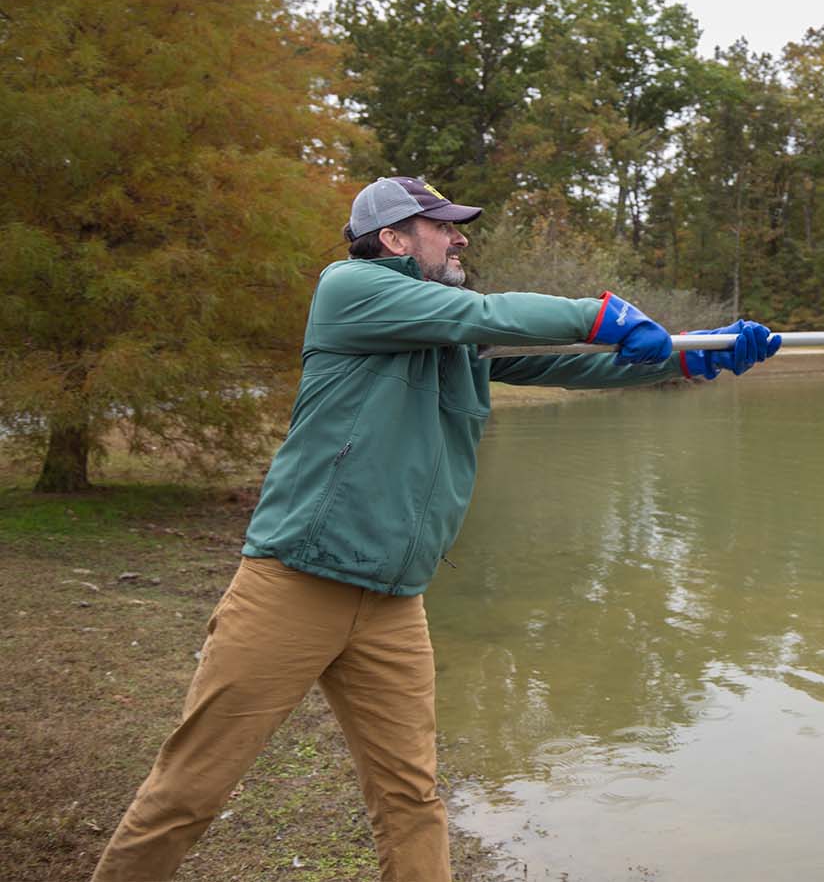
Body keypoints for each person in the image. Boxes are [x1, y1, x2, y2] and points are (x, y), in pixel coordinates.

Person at [92, 176, 780, 881]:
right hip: (295, 583)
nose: (461, 237)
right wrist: (597, 309)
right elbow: (495, 313)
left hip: (393, 600)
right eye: (443, 226)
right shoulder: (349, 289)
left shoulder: (459, 334)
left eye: (459, 226)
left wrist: (692, 355)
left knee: (411, 798)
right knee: (190, 791)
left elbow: (570, 361)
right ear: (392, 238)